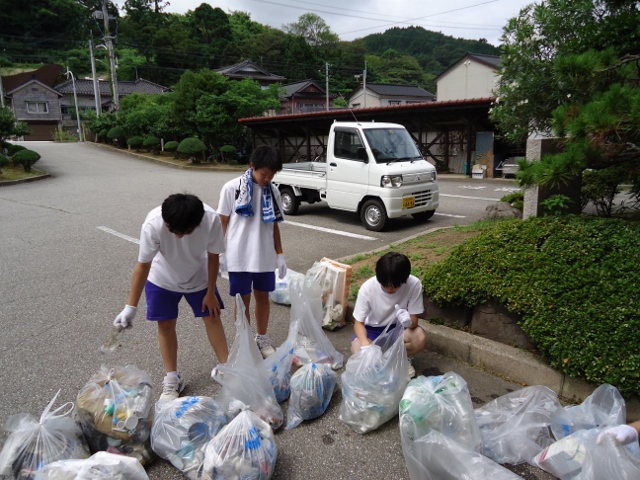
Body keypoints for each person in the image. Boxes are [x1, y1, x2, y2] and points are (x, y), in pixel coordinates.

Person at [113, 193, 228, 402]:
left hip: (199, 276)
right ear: (166, 221)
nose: (179, 237)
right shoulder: (153, 224)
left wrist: (211, 292)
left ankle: (226, 369)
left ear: (197, 223)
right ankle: (172, 378)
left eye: (186, 232)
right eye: (174, 231)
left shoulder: (211, 219)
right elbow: (143, 265)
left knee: (212, 317)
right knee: (165, 325)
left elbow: (213, 257)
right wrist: (130, 306)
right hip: (162, 278)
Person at [217, 144, 287, 359]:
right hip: (239, 255)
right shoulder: (232, 188)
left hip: (264, 255)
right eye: (264, 173)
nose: (267, 179)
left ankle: (262, 338)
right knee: (242, 300)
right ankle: (244, 340)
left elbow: (274, 225)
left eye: (272, 175)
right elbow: (222, 221)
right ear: (253, 166)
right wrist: (219, 253)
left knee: (263, 298)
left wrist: (280, 254)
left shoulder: (273, 192)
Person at [351, 251, 427, 378]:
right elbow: (358, 323)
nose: (389, 289)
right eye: (385, 285)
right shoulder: (367, 288)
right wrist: (365, 344)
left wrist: (408, 321)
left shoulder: (414, 284)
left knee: (419, 338)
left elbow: (414, 321)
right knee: (357, 349)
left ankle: (399, 359)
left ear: (405, 279)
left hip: (398, 329)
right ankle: (382, 360)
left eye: (394, 286)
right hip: (372, 329)